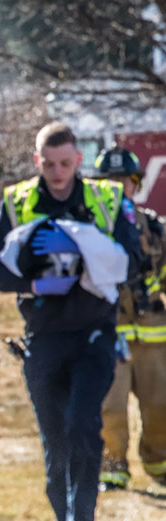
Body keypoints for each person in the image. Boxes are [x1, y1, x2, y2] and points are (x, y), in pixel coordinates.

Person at [0, 121, 143, 521]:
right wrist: (33, 284)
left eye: (66, 164)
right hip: (43, 339)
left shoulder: (106, 200)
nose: (57, 173)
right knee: (55, 444)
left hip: (94, 337)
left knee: (82, 427)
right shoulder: (17, 204)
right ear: (38, 161)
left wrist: (89, 254)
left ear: (78, 161)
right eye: (49, 164)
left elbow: (131, 262)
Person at [94, 146, 166, 491]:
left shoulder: (155, 228)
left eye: (126, 180)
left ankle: (159, 463)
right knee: (110, 407)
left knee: (160, 405)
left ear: (136, 185)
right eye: (111, 181)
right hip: (110, 335)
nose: (120, 187)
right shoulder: (90, 231)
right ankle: (113, 469)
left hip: (154, 338)